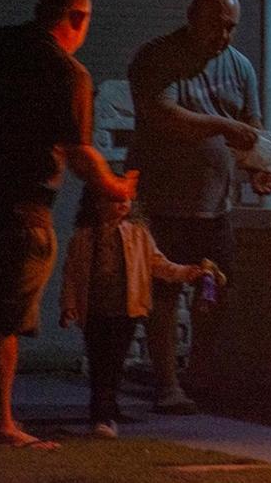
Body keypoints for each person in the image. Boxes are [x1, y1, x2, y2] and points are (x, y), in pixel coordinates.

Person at [0, 0, 138, 448]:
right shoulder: (67, 72)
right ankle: (0, 424)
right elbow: (78, 152)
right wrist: (116, 185)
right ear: (76, 19)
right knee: (3, 317)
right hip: (24, 208)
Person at [127, 0, 271, 414]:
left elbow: (252, 126)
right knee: (164, 295)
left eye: (231, 28)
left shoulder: (240, 67)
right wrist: (224, 127)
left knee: (215, 292)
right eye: (217, 26)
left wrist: (259, 167)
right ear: (193, 15)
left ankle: (201, 377)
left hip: (216, 205)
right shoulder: (158, 57)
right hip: (162, 201)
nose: (224, 37)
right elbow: (164, 115)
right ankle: (167, 385)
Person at [58, 188, 205, 438]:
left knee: (114, 361)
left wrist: (184, 272)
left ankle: (106, 411)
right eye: (114, 199)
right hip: (95, 309)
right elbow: (71, 273)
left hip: (125, 309)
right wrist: (69, 305)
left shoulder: (138, 234)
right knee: (99, 360)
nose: (121, 204)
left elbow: (157, 263)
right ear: (97, 204)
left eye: (125, 199)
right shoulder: (83, 237)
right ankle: (103, 413)